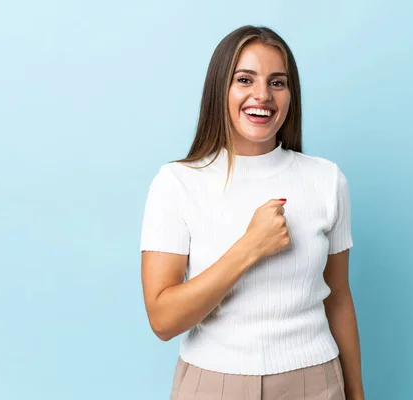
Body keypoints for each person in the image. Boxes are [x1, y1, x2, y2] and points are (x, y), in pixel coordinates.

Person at [139, 25, 365, 400]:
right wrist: (250, 247)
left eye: (278, 82)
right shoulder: (177, 183)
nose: (262, 95)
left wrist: (355, 393)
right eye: (245, 79)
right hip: (212, 384)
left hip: (315, 382)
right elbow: (163, 320)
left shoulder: (326, 180)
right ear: (220, 90)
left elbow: (338, 296)